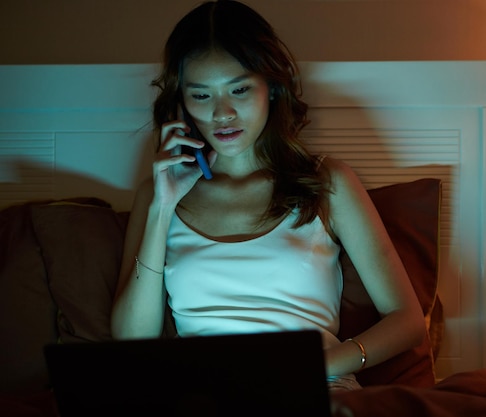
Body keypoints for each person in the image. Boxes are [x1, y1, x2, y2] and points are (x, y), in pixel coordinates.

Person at [111, 0, 425, 391]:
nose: (222, 113)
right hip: (203, 395)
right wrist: (162, 208)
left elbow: (408, 320)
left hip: (312, 385)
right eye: (201, 95)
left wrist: (318, 363)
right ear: (181, 103)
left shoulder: (327, 182)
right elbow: (131, 341)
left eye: (239, 89)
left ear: (271, 89)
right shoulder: (158, 197)